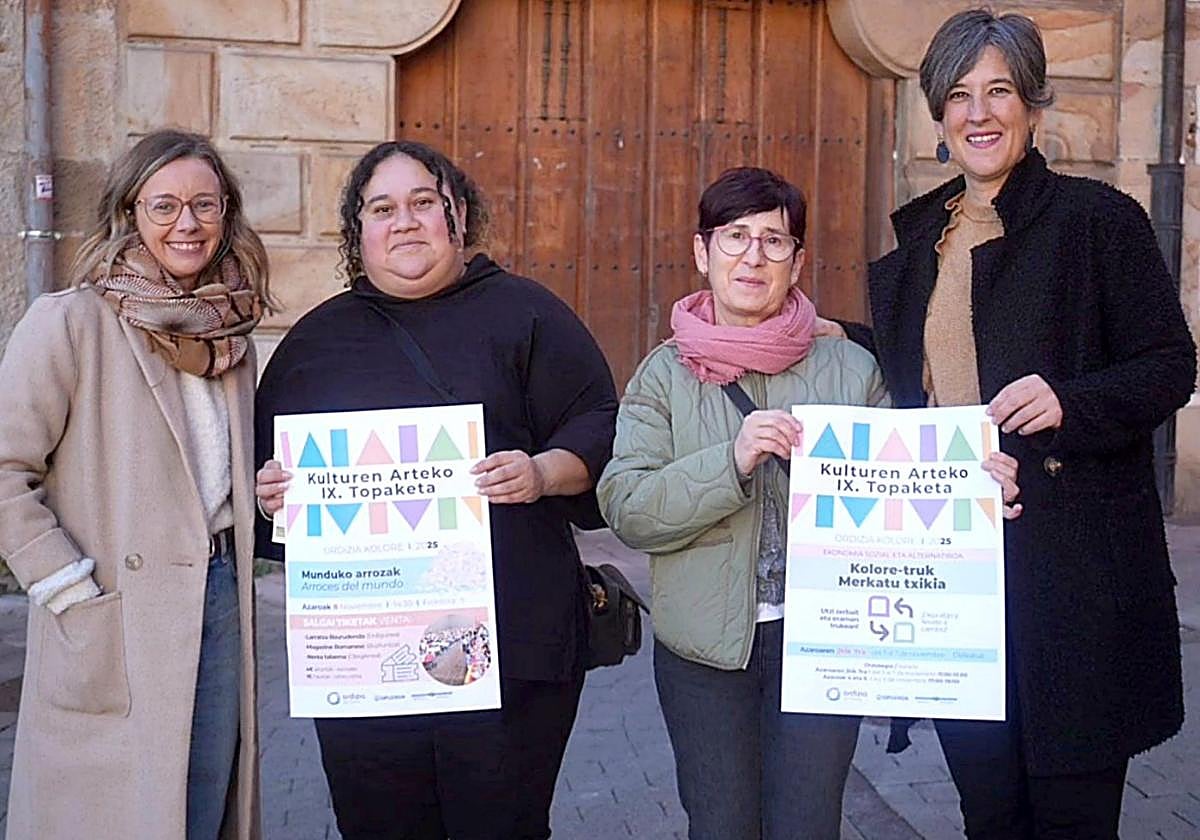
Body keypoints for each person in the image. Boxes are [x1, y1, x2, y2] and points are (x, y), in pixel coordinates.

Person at [829, 10, 1197, 838]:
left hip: (1073, 581)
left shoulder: (1097, 223)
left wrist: (1072, 403)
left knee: (1069, 817)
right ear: (937, 116)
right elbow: (924, 381)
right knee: (989, 813)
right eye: (958, 95)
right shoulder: (922, 241)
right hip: (954, 577)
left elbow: (1169, 364)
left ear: (1034, 105)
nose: (979, 112)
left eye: (999, 90)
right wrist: (831, 334)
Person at [596, 166, 1022, 840]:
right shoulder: (663, 373)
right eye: (735, 237)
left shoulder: (852, 370)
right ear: (702, 252)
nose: (753, 256)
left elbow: (906, 481)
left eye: (774, 240)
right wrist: (729, 461)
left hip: (824, 644)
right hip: (705, 655)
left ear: (797, 262)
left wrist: (973, 485)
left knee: (807, 823)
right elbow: (628, 505)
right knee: (720, 824)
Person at [253, 139, 617, 840]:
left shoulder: (525, 314)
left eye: (425, 202)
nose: (406, 221)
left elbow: (600, 427)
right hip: (365, 659)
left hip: (512, 650)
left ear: (457, 216)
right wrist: (273, 494)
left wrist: (542, 472)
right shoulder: (314, 344)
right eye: (383, 208)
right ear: (358, 232)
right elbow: (268, 487)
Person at [0, 129, 271, 839]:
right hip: (111, 602)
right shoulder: (70, 322)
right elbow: (5, 468)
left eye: (205, 205)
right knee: (116, 812)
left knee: (203, 799)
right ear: (130, 211)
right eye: (165, 205)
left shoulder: (232, 338)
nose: (187, 224)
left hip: (220, 594)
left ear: (226, 214)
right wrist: (64, 585)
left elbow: (219, 477)